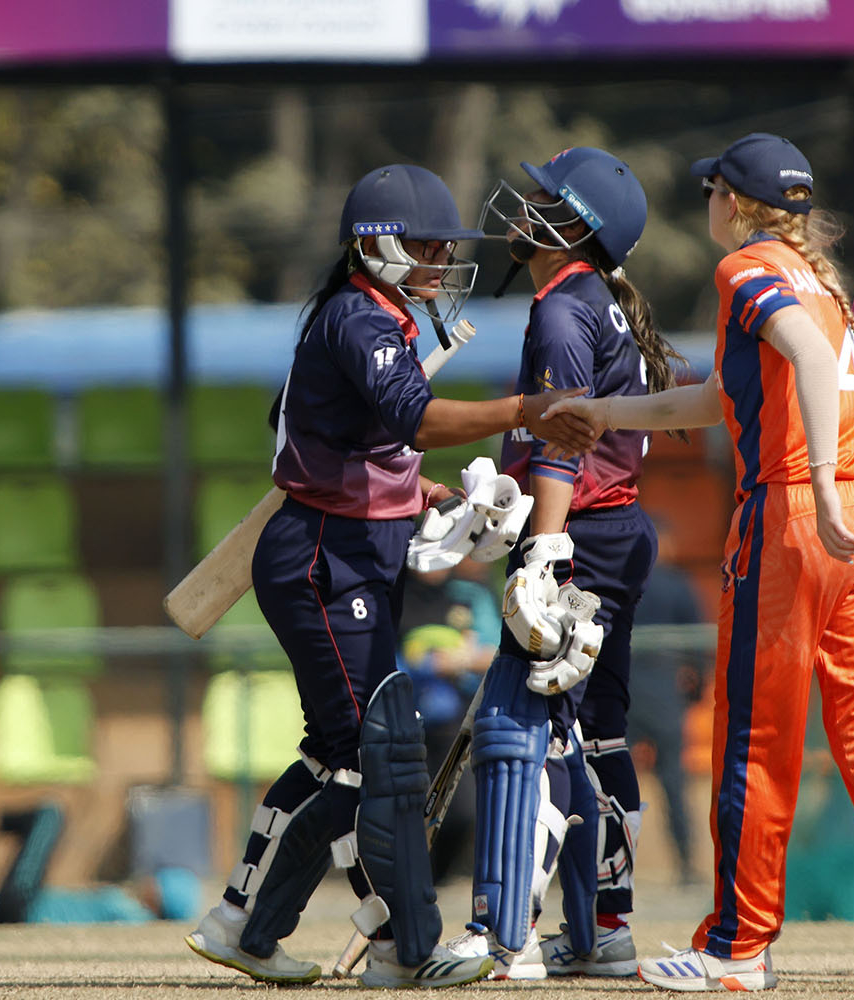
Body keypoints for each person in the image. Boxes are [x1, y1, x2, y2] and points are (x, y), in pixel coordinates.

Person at [546, 133, 854, 992]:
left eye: (711, 192)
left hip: (802, 514)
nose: (707, 207)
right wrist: (605, 410)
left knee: (752, 740)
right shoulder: (821, 280)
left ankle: (736, 947)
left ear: (732, 201)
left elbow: (804, 359)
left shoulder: (748, 268)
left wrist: (820, 490)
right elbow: (721, 397)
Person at [183, 163, 589, 989]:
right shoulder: (355, 319)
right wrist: (523, 410)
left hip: (352, 548)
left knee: (341, 755)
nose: (442, 258)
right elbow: (416, 417)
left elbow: (368, 447)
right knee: (371, 761)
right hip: (319, 559)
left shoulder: (382, 319)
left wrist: (433, 493)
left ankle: (248, 923)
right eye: (428, 243)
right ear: (376, 245)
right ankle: (402, 939)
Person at [442, 146, 684, 980]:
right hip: (614, 535)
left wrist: (541, 552)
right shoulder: (599, 300)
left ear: (577, 225)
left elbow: (564, 442)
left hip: (578, 536)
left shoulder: (562, 309)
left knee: (521, 728)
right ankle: (599, 930)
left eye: (546, 195)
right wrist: (490, 498)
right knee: (594, 736)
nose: (527, 202)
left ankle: (505, 935)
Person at [0, 794, 201, 925]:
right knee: (46, 817)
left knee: (50, 815)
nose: (150, 880)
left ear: (162, 899)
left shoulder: (132, 915)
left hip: (20, 908)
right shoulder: (128, 906)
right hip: (17, 908)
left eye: (158, 882)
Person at [398, 560, 498, 882]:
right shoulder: (393, 596)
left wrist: (464, 660)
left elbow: (498, 652)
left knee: (462, 810)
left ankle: (433, 878)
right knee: (401, 812)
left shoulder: (469, 595)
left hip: (455, 723)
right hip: (402, 722)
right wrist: (418, 667)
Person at [626, 519, 706, 884]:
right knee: (674, 783)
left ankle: (598, 870)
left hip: (622, 695)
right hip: (664, 695)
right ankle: (686, 866)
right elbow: (697, 649)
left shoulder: (623, 584)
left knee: (607, 784)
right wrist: (693, 694)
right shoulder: (677, 585)